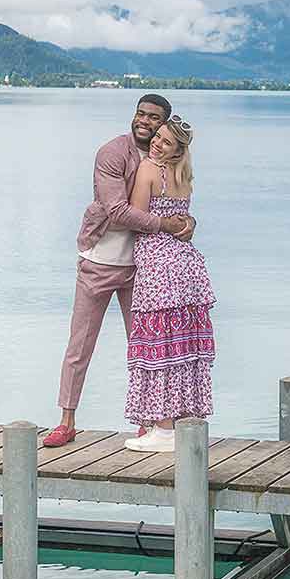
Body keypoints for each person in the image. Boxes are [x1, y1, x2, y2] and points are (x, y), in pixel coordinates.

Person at [44, 95, 194, 448]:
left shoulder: (166, 160)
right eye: (140, 113)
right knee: (80, 345)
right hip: (99, 261)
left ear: (165, 124)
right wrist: (168, 225)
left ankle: (149, 425)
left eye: (154, 118)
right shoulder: (113, 152)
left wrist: (188, 223)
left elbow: (178, 203)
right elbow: (116, 211)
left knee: (144, 348)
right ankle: (66, 421)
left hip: (143, 269)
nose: (145, 121)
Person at [122, 115, 215, 452]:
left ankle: (162, 427)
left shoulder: (149, 170)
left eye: (166, 141)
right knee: (184, 347)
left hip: (159, 264)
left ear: (177, 151)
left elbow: (137, 218)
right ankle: (183, 424)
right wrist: (184, 225)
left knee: (158, 345)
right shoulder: (183, 177)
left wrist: (161, 225)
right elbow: (184, 222)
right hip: (187, 264)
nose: (158, 142)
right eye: (158, 136)